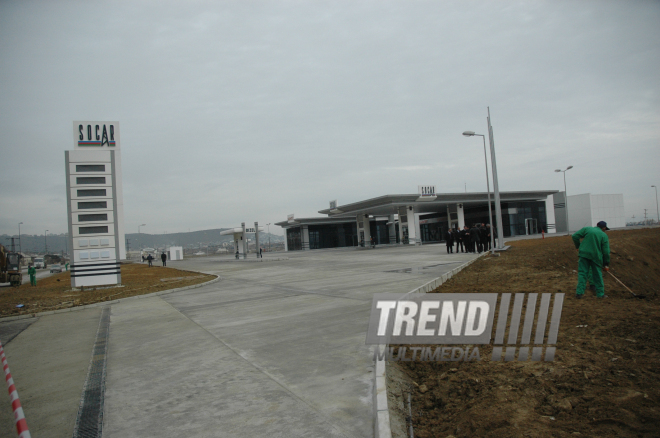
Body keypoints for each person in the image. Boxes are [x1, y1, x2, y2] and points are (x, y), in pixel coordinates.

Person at [572, 221, 611, 299]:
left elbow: (574, 236)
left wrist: (578, 246)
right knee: (597, 275)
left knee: (582, 274)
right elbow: (606, 252)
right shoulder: (604, 235)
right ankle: (600, 294)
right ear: (604, 228)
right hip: (596, 257)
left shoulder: (587, 229)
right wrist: (606, 264)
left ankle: (579, 293)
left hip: (583, 254)